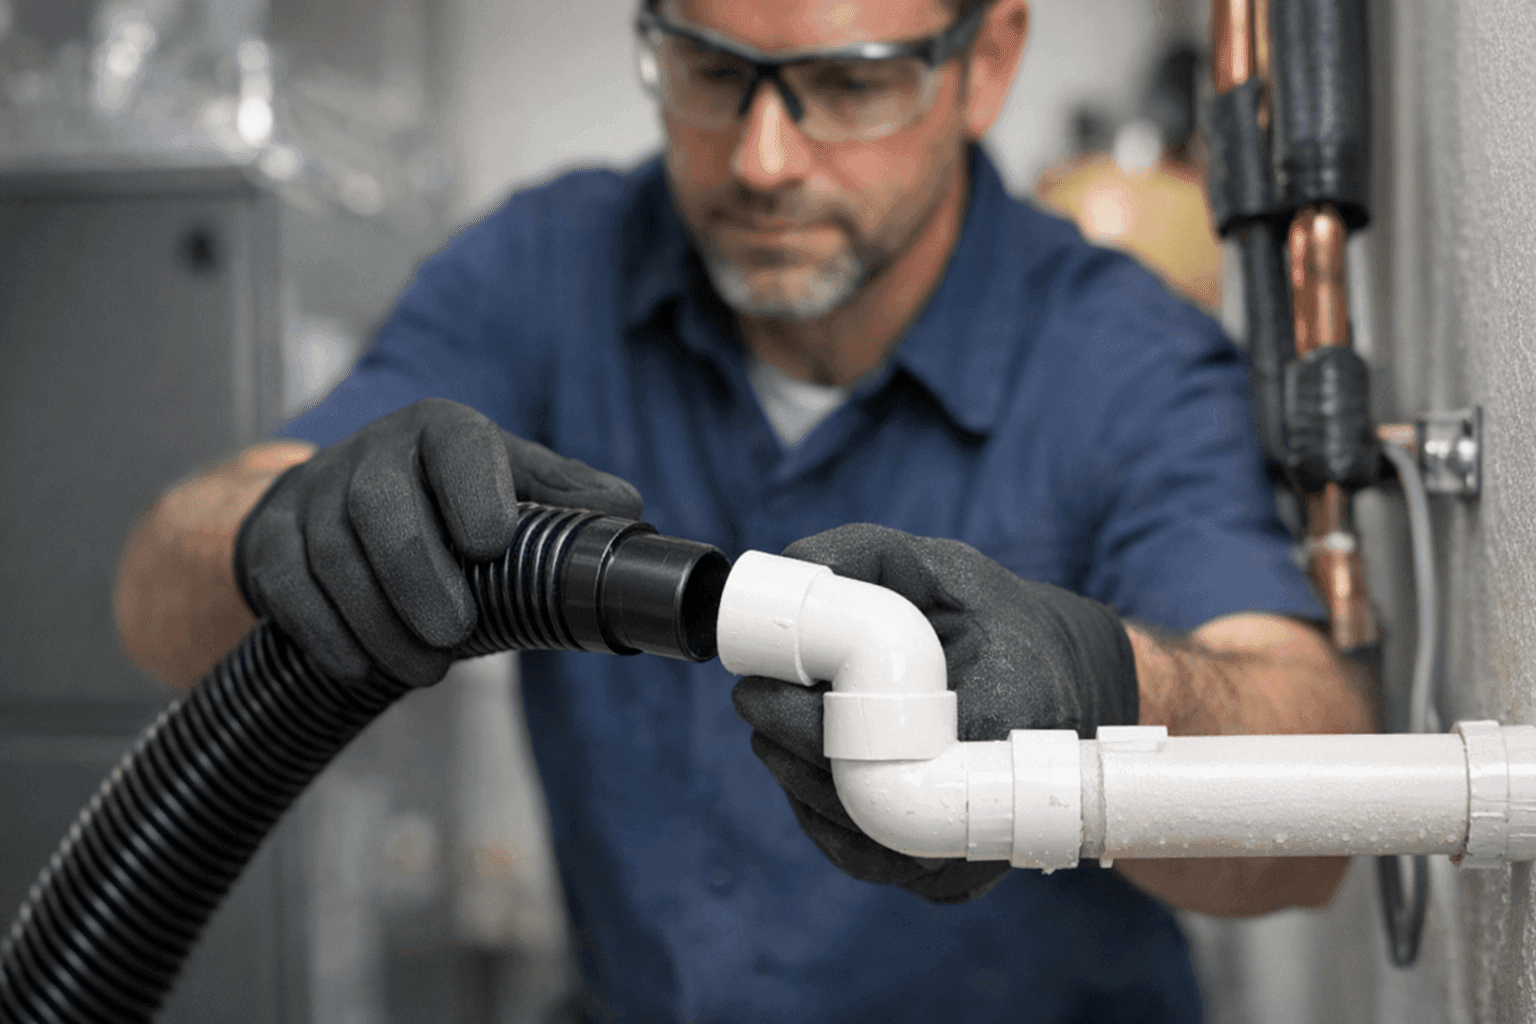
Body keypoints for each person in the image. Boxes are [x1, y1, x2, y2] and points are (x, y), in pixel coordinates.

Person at [114, 0, 1372, 1020]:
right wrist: (288, 522)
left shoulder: (1124, 356)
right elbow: (157, 607)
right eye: (711, 72)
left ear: (985, 61)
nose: (768, 158)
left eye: (852, 81)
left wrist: (1106, 680)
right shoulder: (541, 272)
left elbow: (1316, 816)